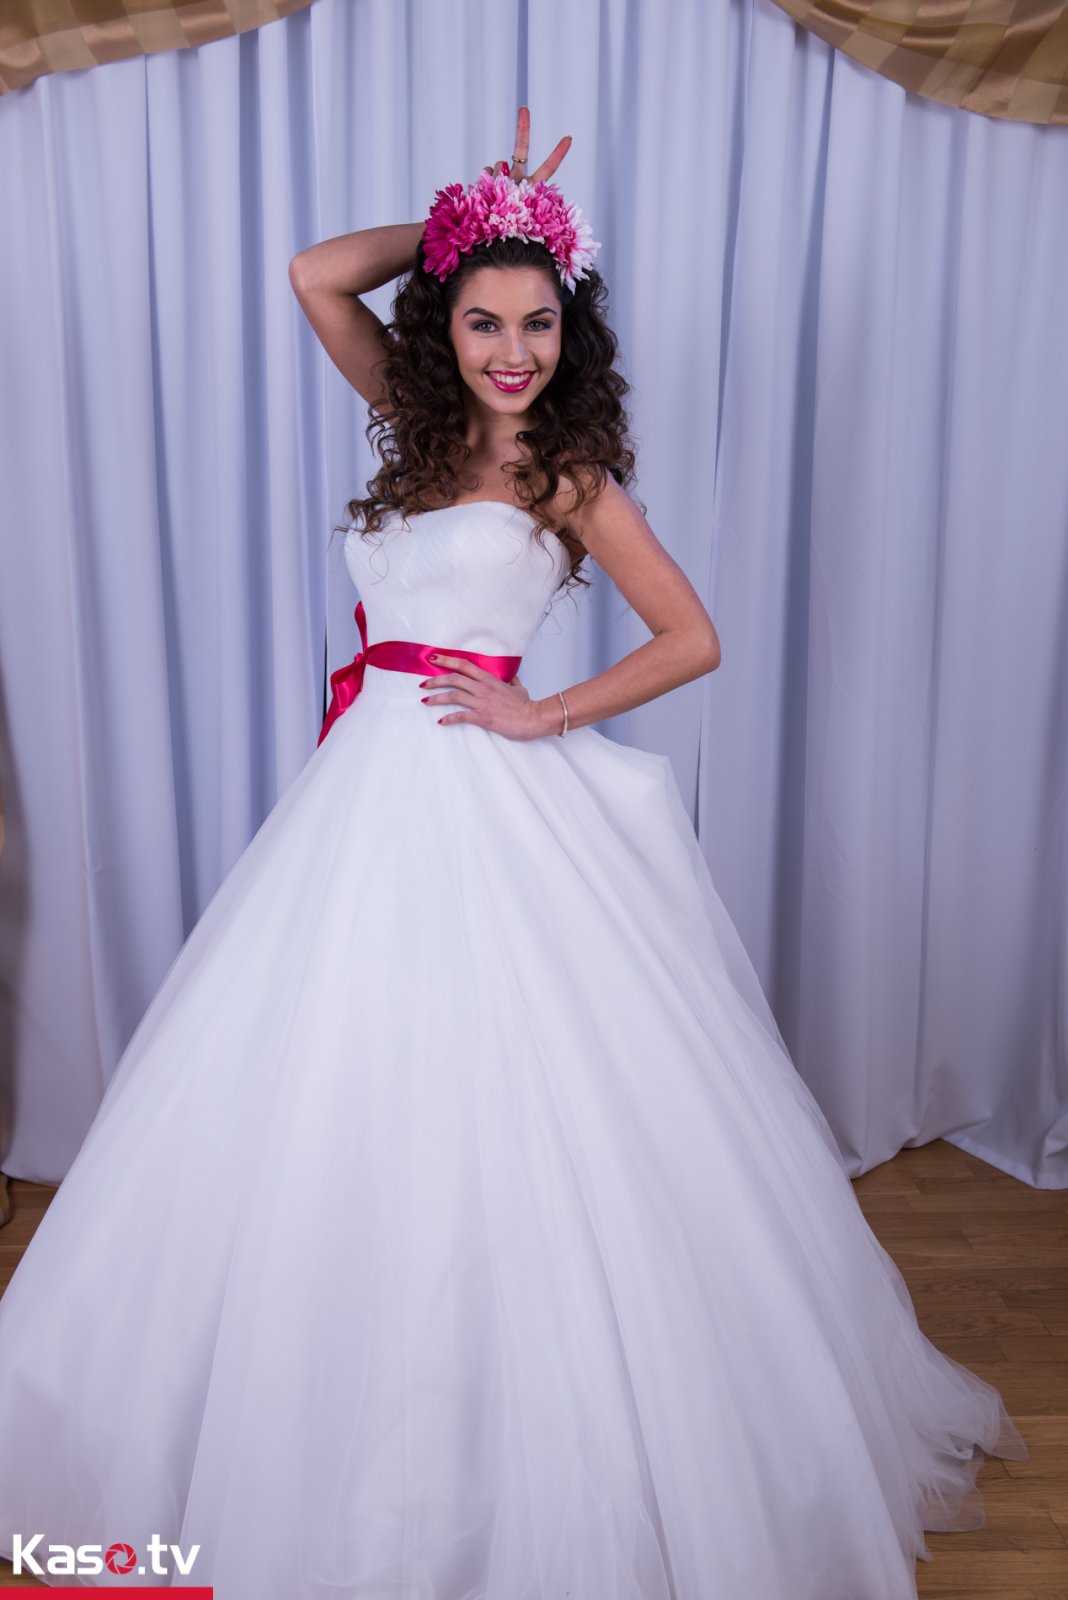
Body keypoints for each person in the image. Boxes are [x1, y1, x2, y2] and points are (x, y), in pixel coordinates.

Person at [0, 107, 1027, 1599]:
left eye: (538, 322)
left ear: (569, 333)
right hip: (360, 796)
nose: (512, 351)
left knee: (514, 1092)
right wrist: (470, 216)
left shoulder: (566, 474)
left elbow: (692, 637)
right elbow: (313, 273)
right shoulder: (413, 432)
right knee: (337, 1079)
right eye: (483, 321)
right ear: (443, 327)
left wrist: (541, 712)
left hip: (480, 789)